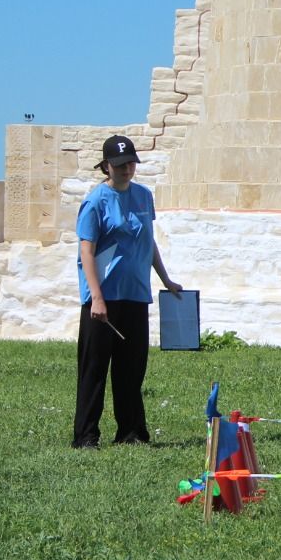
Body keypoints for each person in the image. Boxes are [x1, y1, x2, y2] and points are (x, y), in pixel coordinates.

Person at [73, 135, 182, 449]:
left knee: (131, 368)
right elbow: (87, 251)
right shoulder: (95, 201)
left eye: (130, 163)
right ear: (107, 166)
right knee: (94, 369)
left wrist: (166, 279)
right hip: (103, 299)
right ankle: (86, 436)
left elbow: (148, 243)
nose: (126, 169)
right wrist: (95, 296)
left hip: (135, 294)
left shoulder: (144, 197)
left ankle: (131, 432)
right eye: (119, 165)